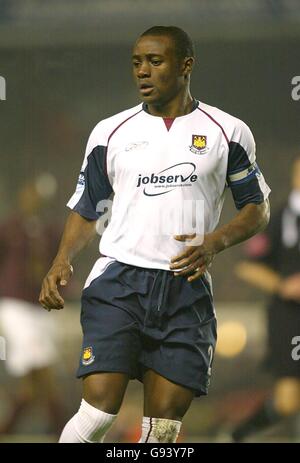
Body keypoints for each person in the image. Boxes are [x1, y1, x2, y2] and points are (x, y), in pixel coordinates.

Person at [39, 26, 271, 443]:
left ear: (186, 65)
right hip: (119, 283)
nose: (142, 71)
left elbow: (257, 208)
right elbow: (87, 206)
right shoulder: (110, 133)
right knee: (98, 412)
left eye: (155, 61)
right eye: (136, 63)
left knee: (161, 431)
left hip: (187, 290)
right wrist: (62, 260)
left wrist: (214, 242)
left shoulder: (228, 132)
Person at [231, 158, 300, 442]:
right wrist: (283, 285)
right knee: (288, 401)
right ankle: (240, 434)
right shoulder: (282, 217)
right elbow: (248, 265)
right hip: (291, 318)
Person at [0, 180, 66, 436]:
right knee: (41, 364)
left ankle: (7, 430)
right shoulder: (9, 228)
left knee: (31, 382)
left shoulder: (50, 230)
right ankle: (61, 427)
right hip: (15, 303)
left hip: (40, 306)